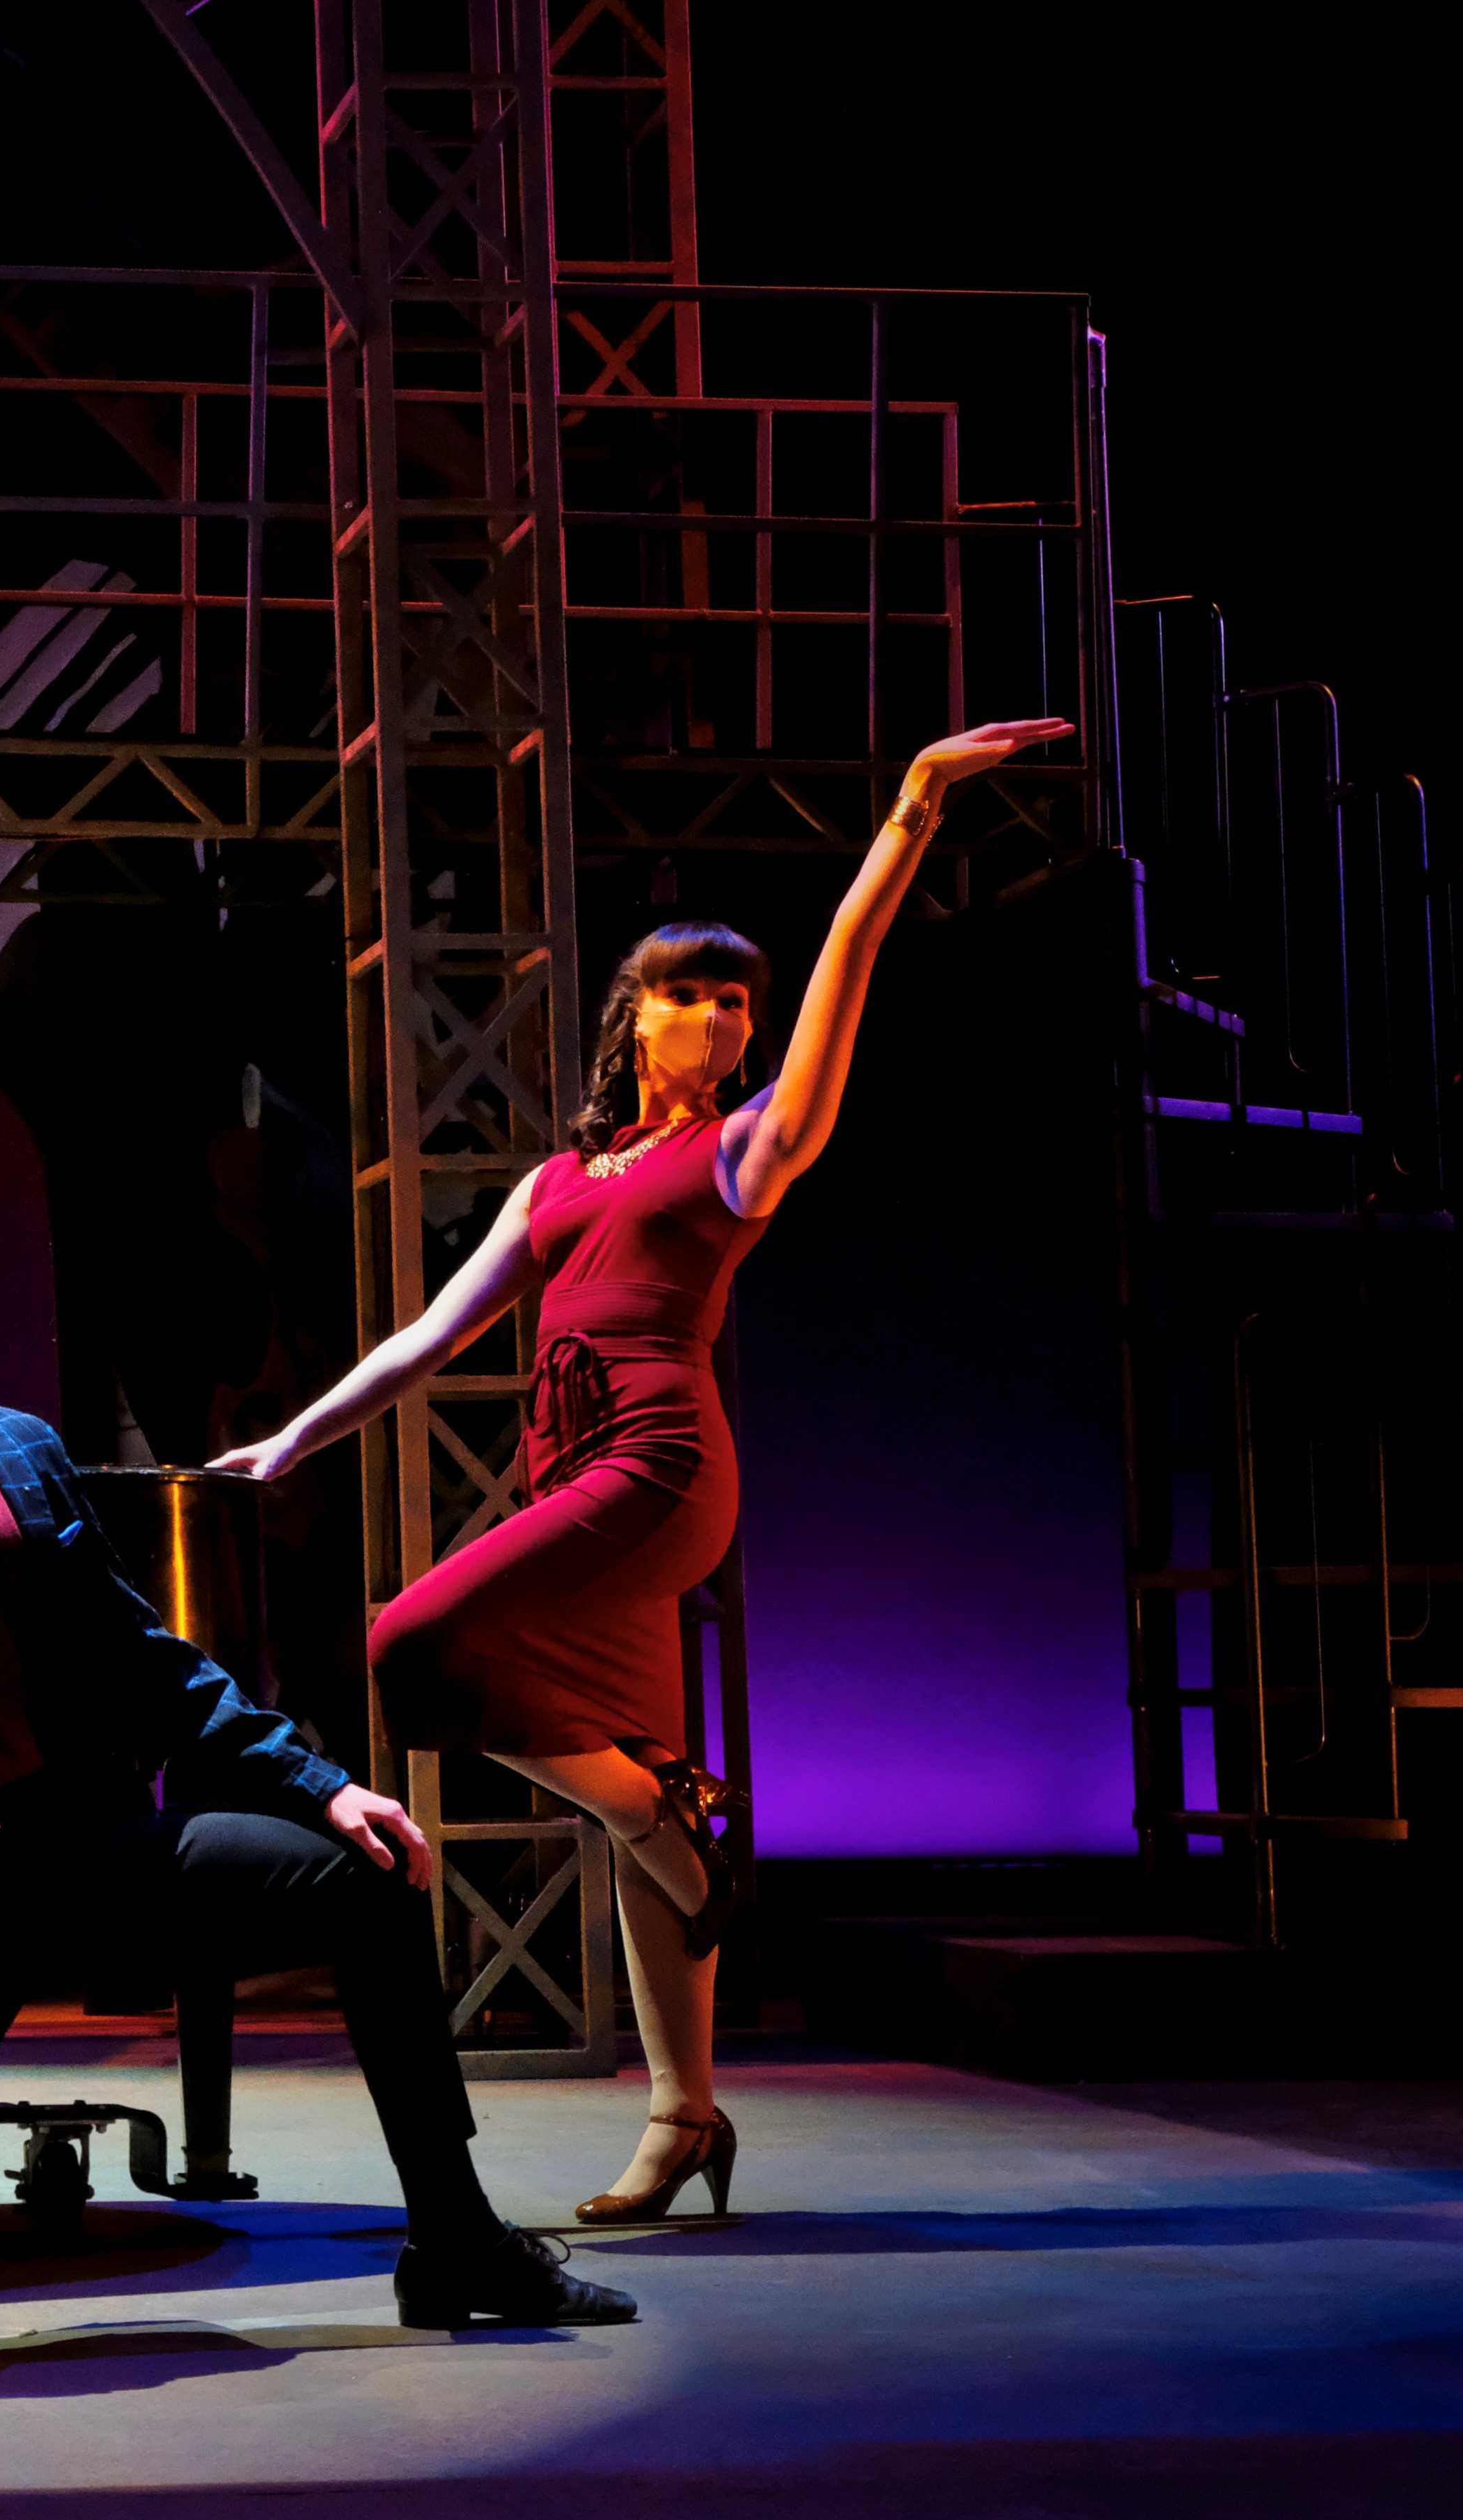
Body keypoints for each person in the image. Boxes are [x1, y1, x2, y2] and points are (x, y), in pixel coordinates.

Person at [218, 717, 1075, 2224]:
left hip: (658, 1468)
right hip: (566, 1471)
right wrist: (296, 1437)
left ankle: (674, 1819)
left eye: (733, 997)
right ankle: (682, 2113)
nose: (718, 1016)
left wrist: (910, 807)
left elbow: (842, 979)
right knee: (622, 1809)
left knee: (410, 1645)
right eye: (686, 993)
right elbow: (427, 1333)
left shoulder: (748, 1150)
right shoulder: (558, 1181)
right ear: (634, 1018)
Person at [0, 1120, 631, 2365]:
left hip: (73, 1857)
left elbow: (140, 1656)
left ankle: (459, 2240)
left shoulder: (12, 1445)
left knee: (370, 1874)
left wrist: (322, 1784)